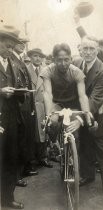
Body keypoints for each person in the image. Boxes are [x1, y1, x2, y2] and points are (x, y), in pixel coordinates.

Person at [76, 36, 103, 202]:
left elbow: (95, 98)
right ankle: (88, 175)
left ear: (97, 51)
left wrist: (80, 117)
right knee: (85, 144)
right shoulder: (77, 64)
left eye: (91, 49)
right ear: (80, 49)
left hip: (98, 114)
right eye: (84, 48)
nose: (87, 52)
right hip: (82, 112)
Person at [40, 43, 92, 150]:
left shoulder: (77, 72)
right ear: (54, 60)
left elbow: (82, 96)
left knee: (74, 131)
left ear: (71, 59)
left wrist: (86, 113)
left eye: (66, 59)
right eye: (59, 60)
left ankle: (73, 159)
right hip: (56, 103)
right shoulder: (48, 71)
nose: (63, 63)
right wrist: (47, 115)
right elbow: (48, 93)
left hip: (72, 104)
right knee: (53, 122)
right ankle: (54, 143)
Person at [0, 25, 25, 209]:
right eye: (7, 47)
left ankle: (7, 199)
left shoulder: (13, 65)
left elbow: (18, 88)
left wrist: (20, 91)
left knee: (10, 159)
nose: (10, 50)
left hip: (12, 119)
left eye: (11, 47)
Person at [12, 38, 38, 182]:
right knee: (17, 139)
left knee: (25, 137)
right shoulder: (10, 59)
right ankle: (16, 175)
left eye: (23, 43)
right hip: (18, 105)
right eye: (18, 43)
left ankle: (24, 170)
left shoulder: (21, 60)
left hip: (26, 104)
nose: (21, 45)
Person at [27, 48, 53, 168]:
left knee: (44, 131)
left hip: (43, 105)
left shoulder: (46, 71)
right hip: (31, 105)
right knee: (32, 133)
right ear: (30, 57)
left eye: (39, 56)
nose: (37, 58)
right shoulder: (26, 70)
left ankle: (43, 157)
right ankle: (32, 160)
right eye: (35, 56)